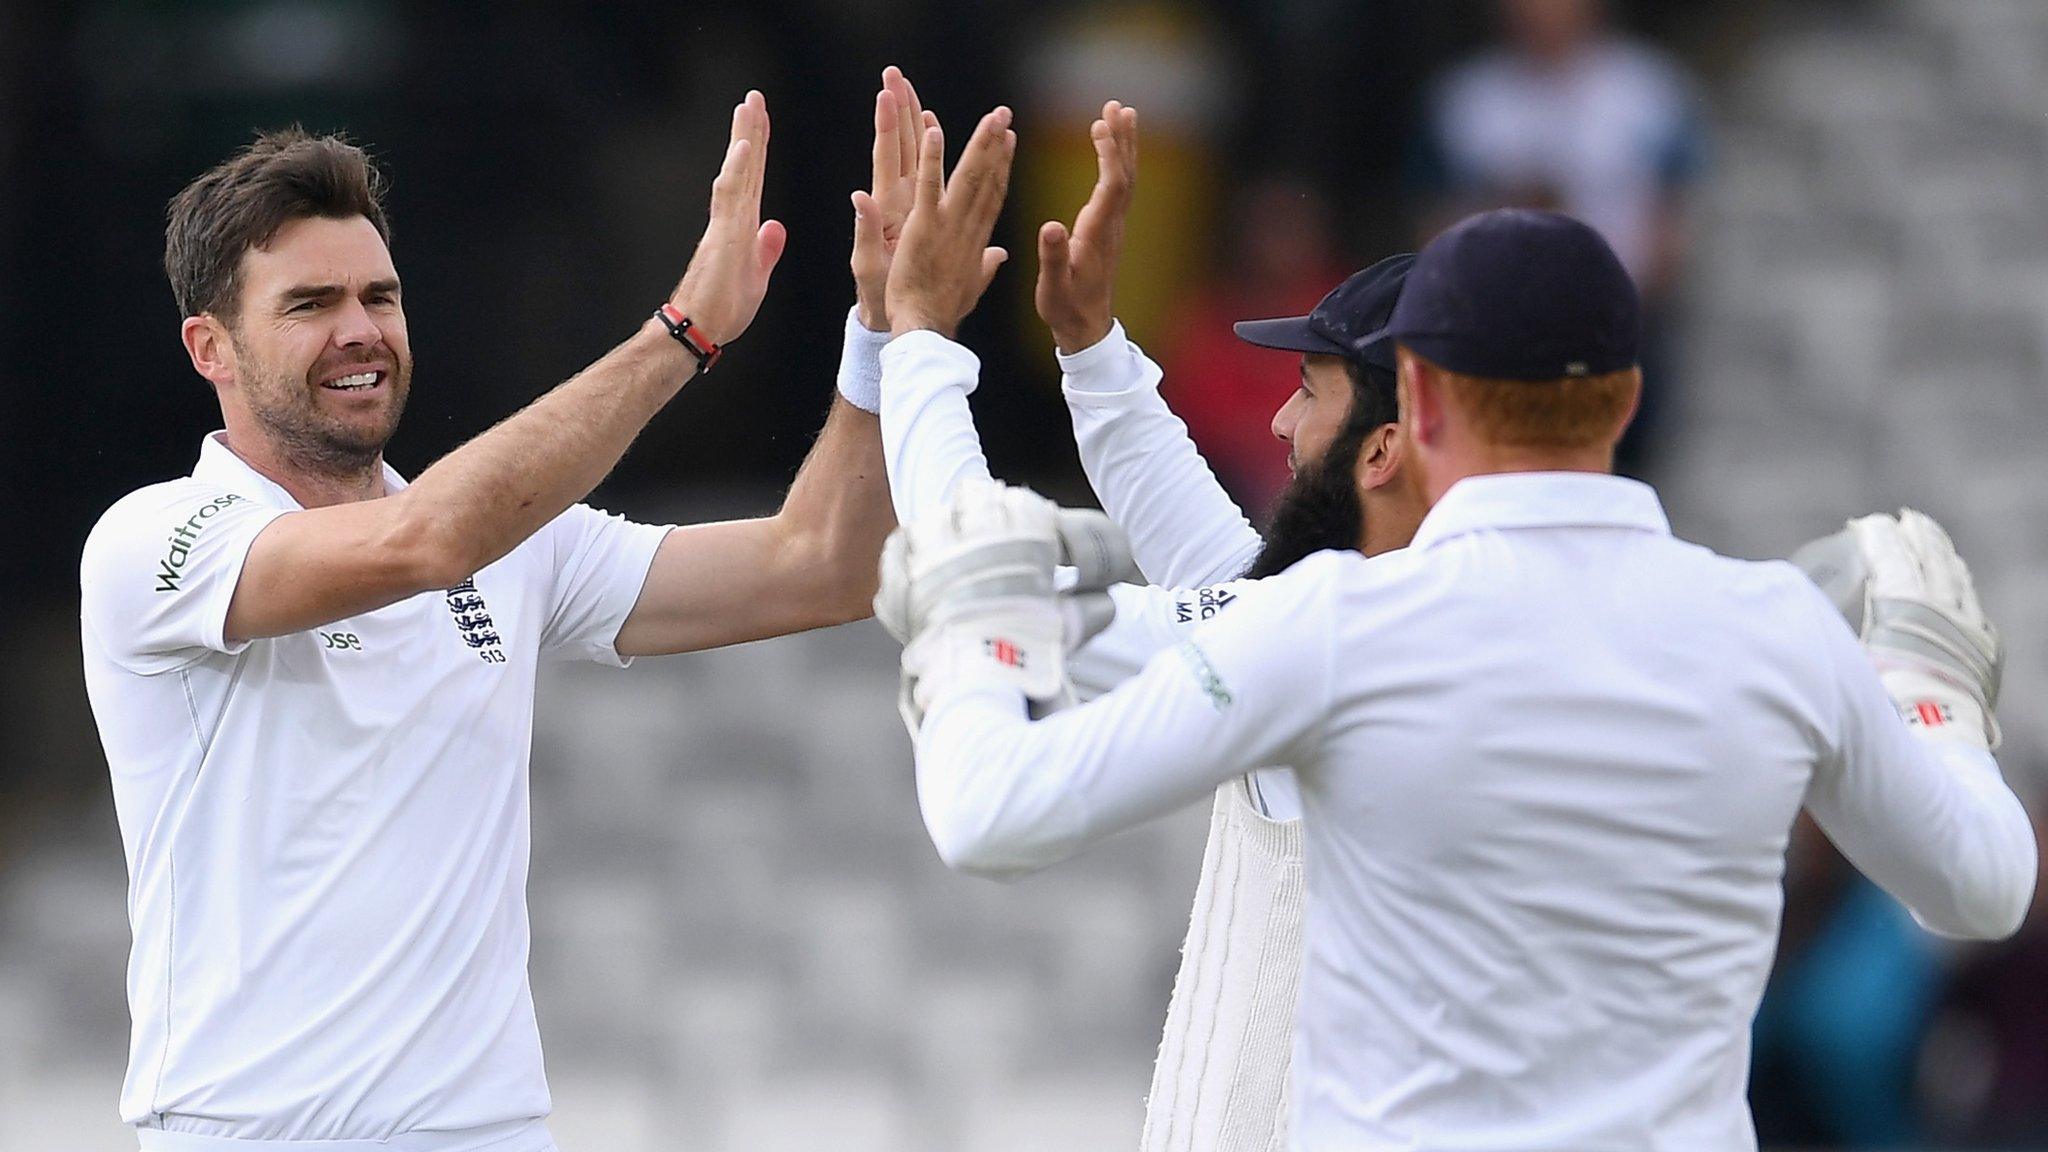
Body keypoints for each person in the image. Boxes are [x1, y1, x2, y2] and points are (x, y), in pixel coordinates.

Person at [882, 204, 2035, 1149]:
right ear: (1624, 398)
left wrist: (969, 631)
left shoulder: (1339, 628)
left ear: (1417, 405)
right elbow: (1981, 889)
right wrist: (1930, 697)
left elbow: (993, 815)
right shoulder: (1778, 628)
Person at [79, 86, 906, 1151]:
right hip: (250, 1132)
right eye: (307, 305)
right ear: (210, 350)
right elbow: (423, 544)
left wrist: (889, 336)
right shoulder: (157, 541)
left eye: (380, 295)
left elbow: (822, 568)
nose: (358, 331)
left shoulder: (512, 539)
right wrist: (681, 334)